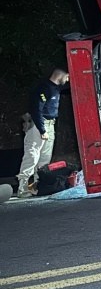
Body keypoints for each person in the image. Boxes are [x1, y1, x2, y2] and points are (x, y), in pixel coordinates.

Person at [15, 68, 70, 198]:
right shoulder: (43, 88)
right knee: (32, 156)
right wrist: (42, 129)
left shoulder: (56, 88)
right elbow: (36, 110)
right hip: (39, 125)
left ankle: (36, 187)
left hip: (50, 124)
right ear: (60, 74)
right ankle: (22, 189)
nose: (67, 80)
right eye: (67, 77)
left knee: (44, 160)